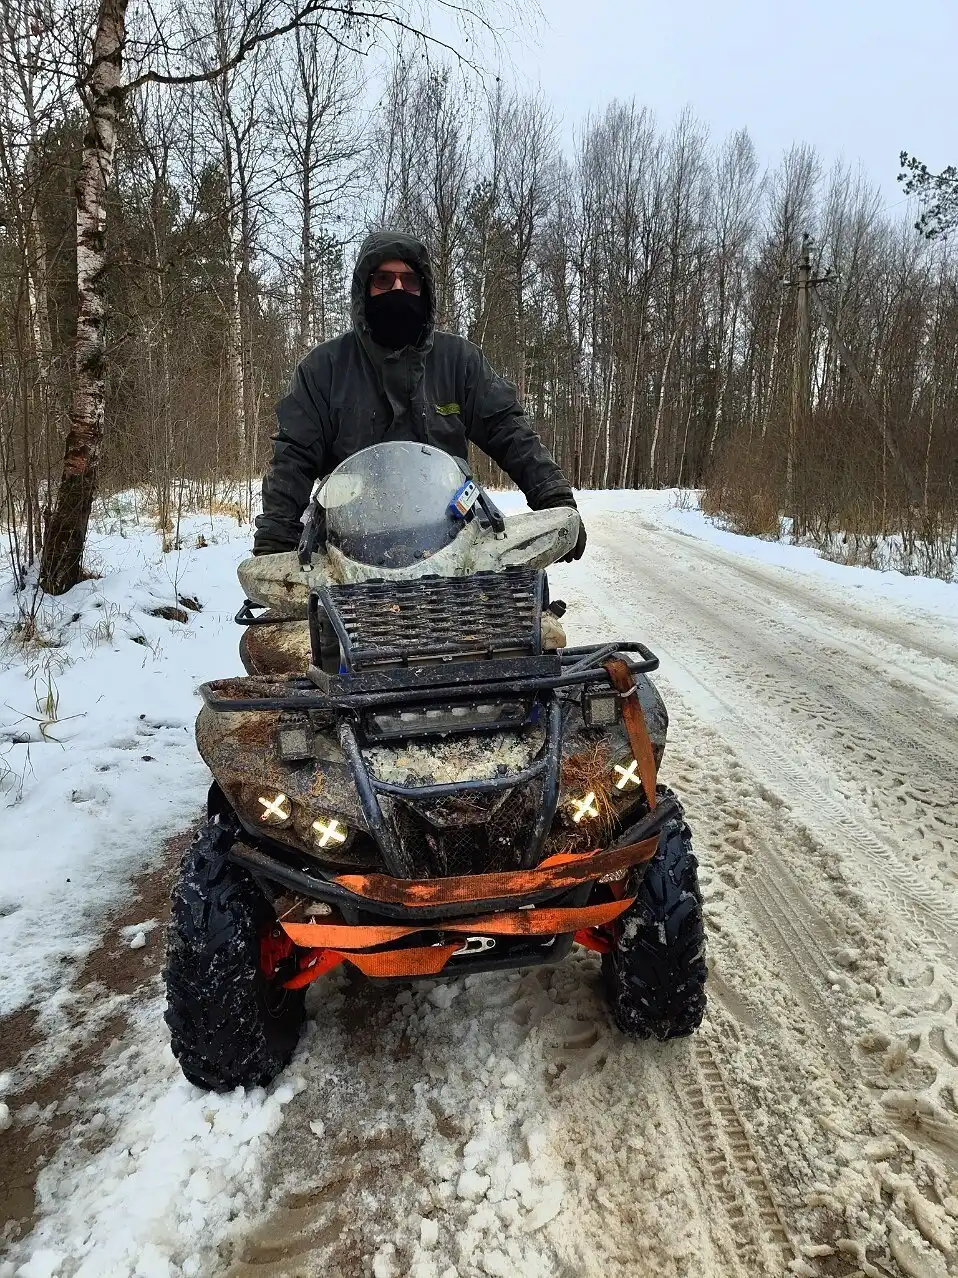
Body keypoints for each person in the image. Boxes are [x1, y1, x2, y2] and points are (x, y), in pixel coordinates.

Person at [253, 230, 586, 560]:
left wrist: (553, 497)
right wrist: (276, 539)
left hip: (454, 538)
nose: (398, 289)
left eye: (409, 280)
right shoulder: (323, 368)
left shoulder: (459, 361)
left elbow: (508, 430)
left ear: (424, 290)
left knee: (526, 586)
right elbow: (293, 458)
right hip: (348, 545)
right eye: (384, 279)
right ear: (364, 289)